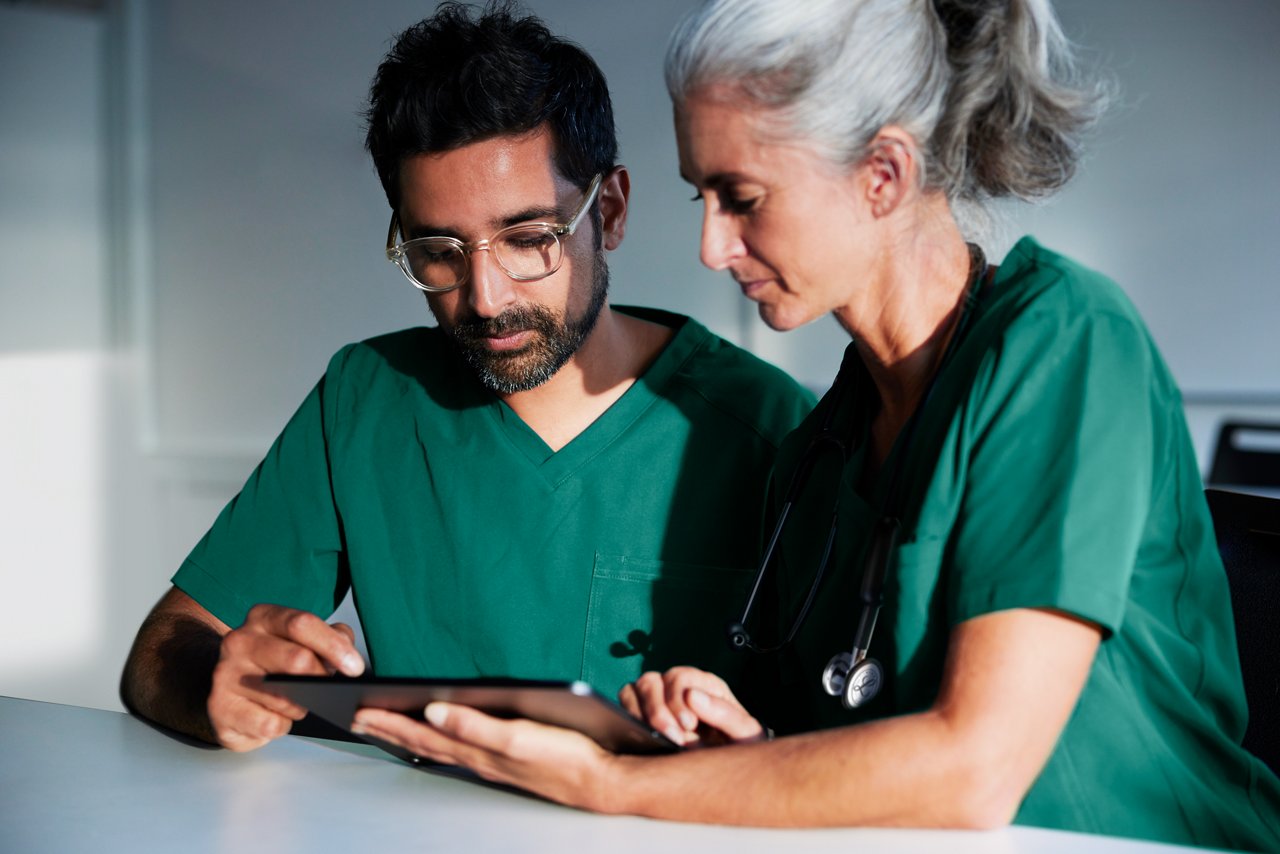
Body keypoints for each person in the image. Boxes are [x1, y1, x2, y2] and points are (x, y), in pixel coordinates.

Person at [346, 0, 1280, 849]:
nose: (712, 246)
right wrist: (744, 744)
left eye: (742, 199)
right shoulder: (819, 447)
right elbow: (857, 741)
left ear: (883, 174)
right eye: (700, 197)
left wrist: (610, 782)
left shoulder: (1065, 342)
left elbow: (976, 770)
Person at [119, 2, 813, 753]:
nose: (485, 298)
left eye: (527, 238)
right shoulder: (368, 399)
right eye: (439, 251)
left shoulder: (772, 428)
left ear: (608, 210)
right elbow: (163, 650)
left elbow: (837, 740)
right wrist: (220, 681)